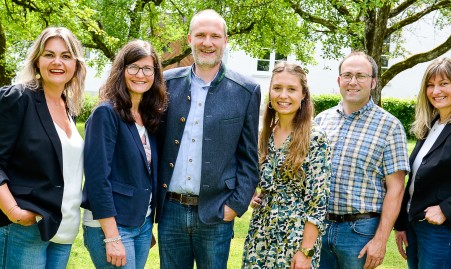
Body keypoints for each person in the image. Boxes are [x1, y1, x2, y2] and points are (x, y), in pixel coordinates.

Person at [156, 9, 261, 269]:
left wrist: (235, 207)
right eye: (201, 35)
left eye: (215, 36)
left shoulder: (246, 91)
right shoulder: (165, 84)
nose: (207, 42)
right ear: (190, 39)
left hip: (216, 213)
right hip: (170, 212)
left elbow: (249, 158)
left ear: (225, 41)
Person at [314, 51, 410, 269]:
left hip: (359, 233)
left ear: (373, 82)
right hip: (318, 227)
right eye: (347, 75)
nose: (353, 82)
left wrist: (381, 240)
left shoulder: (390, 126)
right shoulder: (321, 121)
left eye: (361, 76)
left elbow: (396, 189)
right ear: (339, 80)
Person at [0, 27, 86, 268]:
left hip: (64, 231)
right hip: (24, 229)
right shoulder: (17, 98)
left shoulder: (67, 106)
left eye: (66, 56)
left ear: (76, 65)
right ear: (37, 61)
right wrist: (13, 211)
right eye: (49, 54)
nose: (57, 62)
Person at [81, 40, 167, 268]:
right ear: (121, 70)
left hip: (141, 224)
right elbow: (97, 180)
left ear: (155, 75)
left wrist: (142, 221)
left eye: (148, 69)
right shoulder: (106, 114)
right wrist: (112, 237)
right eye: (134, 67)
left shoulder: (148, 117)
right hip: (111, 226)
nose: (141, 74)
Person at [242, 62, 331, 269]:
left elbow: (317, 202)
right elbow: (259, 178)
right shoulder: (265, 134)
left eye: (291, 89)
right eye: (277, 88)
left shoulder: (315, 138)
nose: (283, 95)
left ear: (303, 95)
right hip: (260, 234)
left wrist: (305, 251)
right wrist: (254, 194)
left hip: (294, 239)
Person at [394, 57, 451, 269]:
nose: (435, 91)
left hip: (445, 229)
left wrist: (446, 209)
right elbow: (416, 180)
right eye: (430, 85)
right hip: (416, 225)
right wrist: (402, 224)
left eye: (443, 84)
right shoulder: (431, 125)